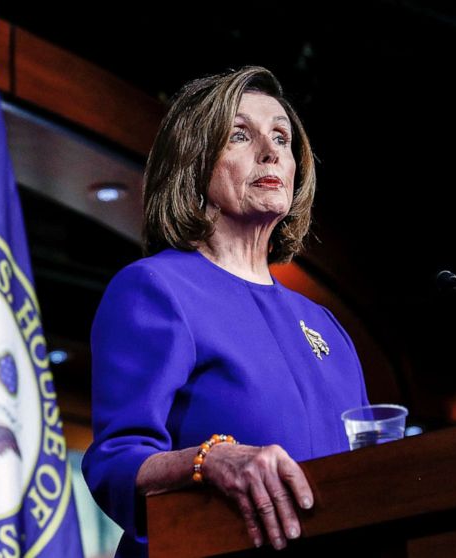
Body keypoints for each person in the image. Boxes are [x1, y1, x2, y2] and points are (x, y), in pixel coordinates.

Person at [82, 66, 369, 557]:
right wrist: (209, 460)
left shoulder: (325, 326)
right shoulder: (157, 289)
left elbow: (376, 475)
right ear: (192, 163)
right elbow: (114, 463)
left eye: (281, 136)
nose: (271, 150)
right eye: (240, 134)